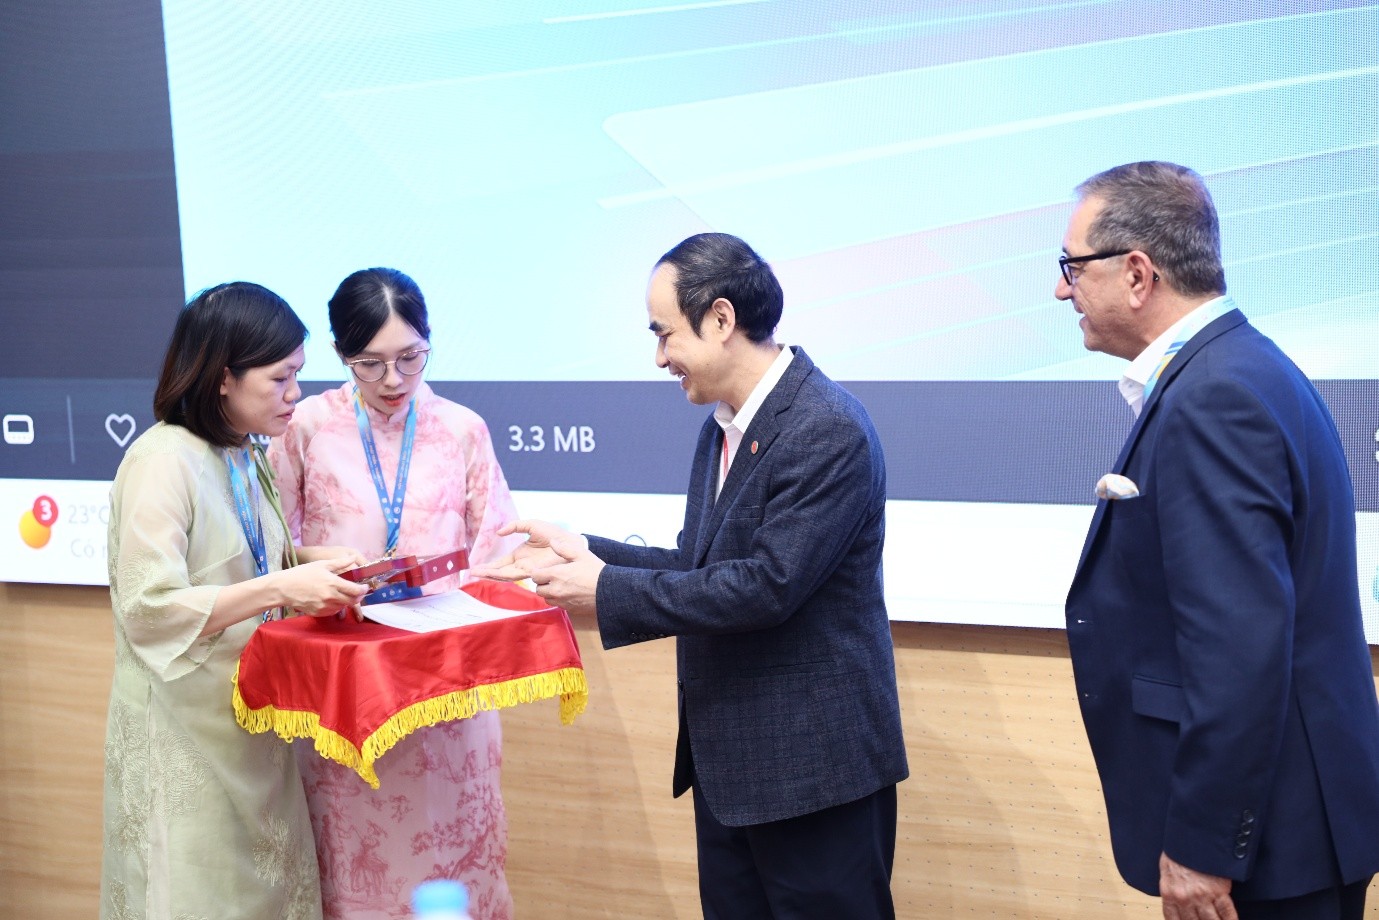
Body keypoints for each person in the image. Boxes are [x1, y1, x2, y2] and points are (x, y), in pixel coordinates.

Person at [475, 232, 909, 919]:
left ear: (720, 318)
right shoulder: (722, 426)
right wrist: (583, 552)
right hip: (731, 769)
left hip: (812, 774)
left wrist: (604, 590)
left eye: (664, 334)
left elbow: (766, 587)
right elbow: (700, 565)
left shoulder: (825, 427)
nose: (658, 358)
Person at [1058, 161, 1379, 919]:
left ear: (1137, 274)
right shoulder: (1237, 367)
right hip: (1291, 821)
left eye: (1071, 267)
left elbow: (1238, 643)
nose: (1061, 291)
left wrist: (1204, 846)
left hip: (1272, 843)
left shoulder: (1214, 396)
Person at [102, 282, 369, 920]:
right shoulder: (162, 460)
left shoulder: (245, 451)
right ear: (224, 376)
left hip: (253, 721)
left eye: (298, 374)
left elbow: (248, 561)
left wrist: (313, 564)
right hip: (183, 737)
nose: (295, 393)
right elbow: (148, 606)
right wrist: (281, 586)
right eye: (280, 378)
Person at [268, 268, 522, 920]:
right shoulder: (305, 427)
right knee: (355, 859)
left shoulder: (462, 429)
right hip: (346, 689)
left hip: (445, 688)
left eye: (410, 357)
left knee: (453, 857)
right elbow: (271, 551)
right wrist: (323, 569)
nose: (392, 379)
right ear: (339, 354)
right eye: (369, 363)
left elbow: (495, 553)